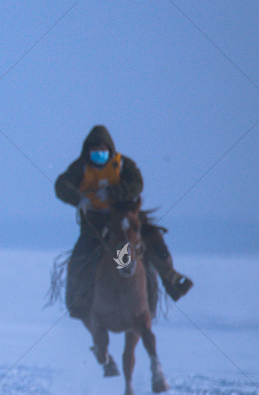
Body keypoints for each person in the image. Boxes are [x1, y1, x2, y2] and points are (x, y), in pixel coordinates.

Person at [55, 125, 193, 320]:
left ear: (110, 150)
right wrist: (79, 199)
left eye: (102, 151)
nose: (98, 155)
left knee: (153, 241)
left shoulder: (123, 165)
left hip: (125, 217)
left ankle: (171, 279)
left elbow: (137, 184)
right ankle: (78, 303)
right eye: (94, 152)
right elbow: (61, 185)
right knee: (79, 259)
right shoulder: (80, 167)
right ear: (87, 152)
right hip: (95, 223)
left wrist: (113, 192)